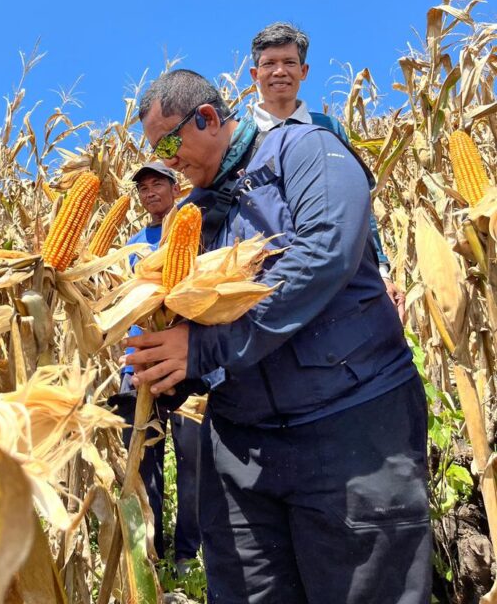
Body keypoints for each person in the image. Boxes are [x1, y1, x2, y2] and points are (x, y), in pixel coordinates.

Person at [126, 69, 430, 604]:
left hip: (351, 428)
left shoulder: (306, 151)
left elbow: (324, 255)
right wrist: (169, 374)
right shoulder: (192, 216)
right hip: (242, 451)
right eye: (156, 152)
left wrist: (203, 349)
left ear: (208, 117)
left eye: (169, 144)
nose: (167, 163)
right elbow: (192, 324)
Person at [250, 22, 405, 320]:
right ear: (255, 74)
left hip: (340, 275)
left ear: (304, 71)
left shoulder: (329, 128)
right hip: (269, 282)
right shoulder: (241, 138)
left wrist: (382, 270)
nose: (280, 71)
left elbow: (358, 203)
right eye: (269, 64)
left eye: (289, 63)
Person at [118, 163, 202, 569]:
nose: (150, 192)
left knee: (192, 462)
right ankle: (152, 553)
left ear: (174, 188)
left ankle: (187, 553)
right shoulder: (134, 244)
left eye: (158, 184)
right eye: (143, 188)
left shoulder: (195, 230)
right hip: (140, 365)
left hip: (187, 364)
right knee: (143, 462)